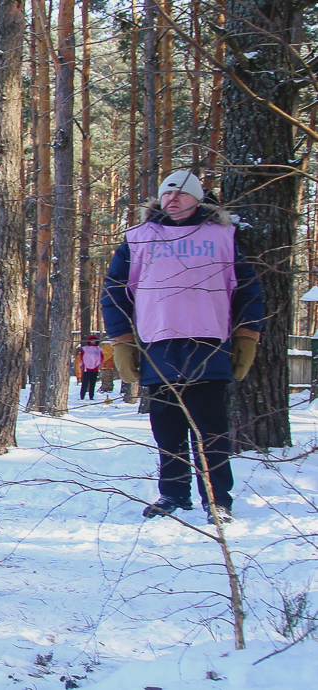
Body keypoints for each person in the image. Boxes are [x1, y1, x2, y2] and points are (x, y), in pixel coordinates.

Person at [101, 170, 265, 525]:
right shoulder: (139, 238)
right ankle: (174, 493)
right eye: (167, 193)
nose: (173, 199)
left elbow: (248, 290)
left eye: (181, 193)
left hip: (208, 344)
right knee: (167, 425)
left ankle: (217, 499)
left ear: (197, 198)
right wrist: (123, 341)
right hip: (158, 344)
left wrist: (247, 336)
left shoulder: (222, 236)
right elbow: (115, 291)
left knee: (211, 428)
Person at [79, 335, 102, 401]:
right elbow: (82, 357)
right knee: (85, 382)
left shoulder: (98, 349)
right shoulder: (85, 348)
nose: (93, 342)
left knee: (93, 383)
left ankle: (91, 396)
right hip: (87, 368)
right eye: (92, 340)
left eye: (94, 340)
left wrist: (97, 363)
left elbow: (101, 357)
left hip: (95, 368)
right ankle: (82, 396)